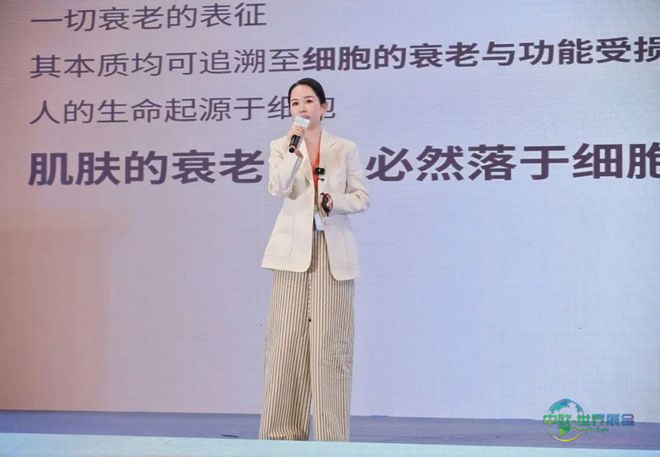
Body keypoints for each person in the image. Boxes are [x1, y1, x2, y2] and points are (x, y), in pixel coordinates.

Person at [259, 78, 369, 441]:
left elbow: (362, 197)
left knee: (330, 345)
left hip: (332, 251)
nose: (301, 108)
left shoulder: (344, 148)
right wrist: (294, 150)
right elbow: (278, 188)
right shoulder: (282, 146)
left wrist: (335, 202)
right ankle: (280, 436)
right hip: (292, 253)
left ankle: (331, 438)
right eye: (295, 103)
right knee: (286, 343)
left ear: (324, 106)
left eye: (308, 101)